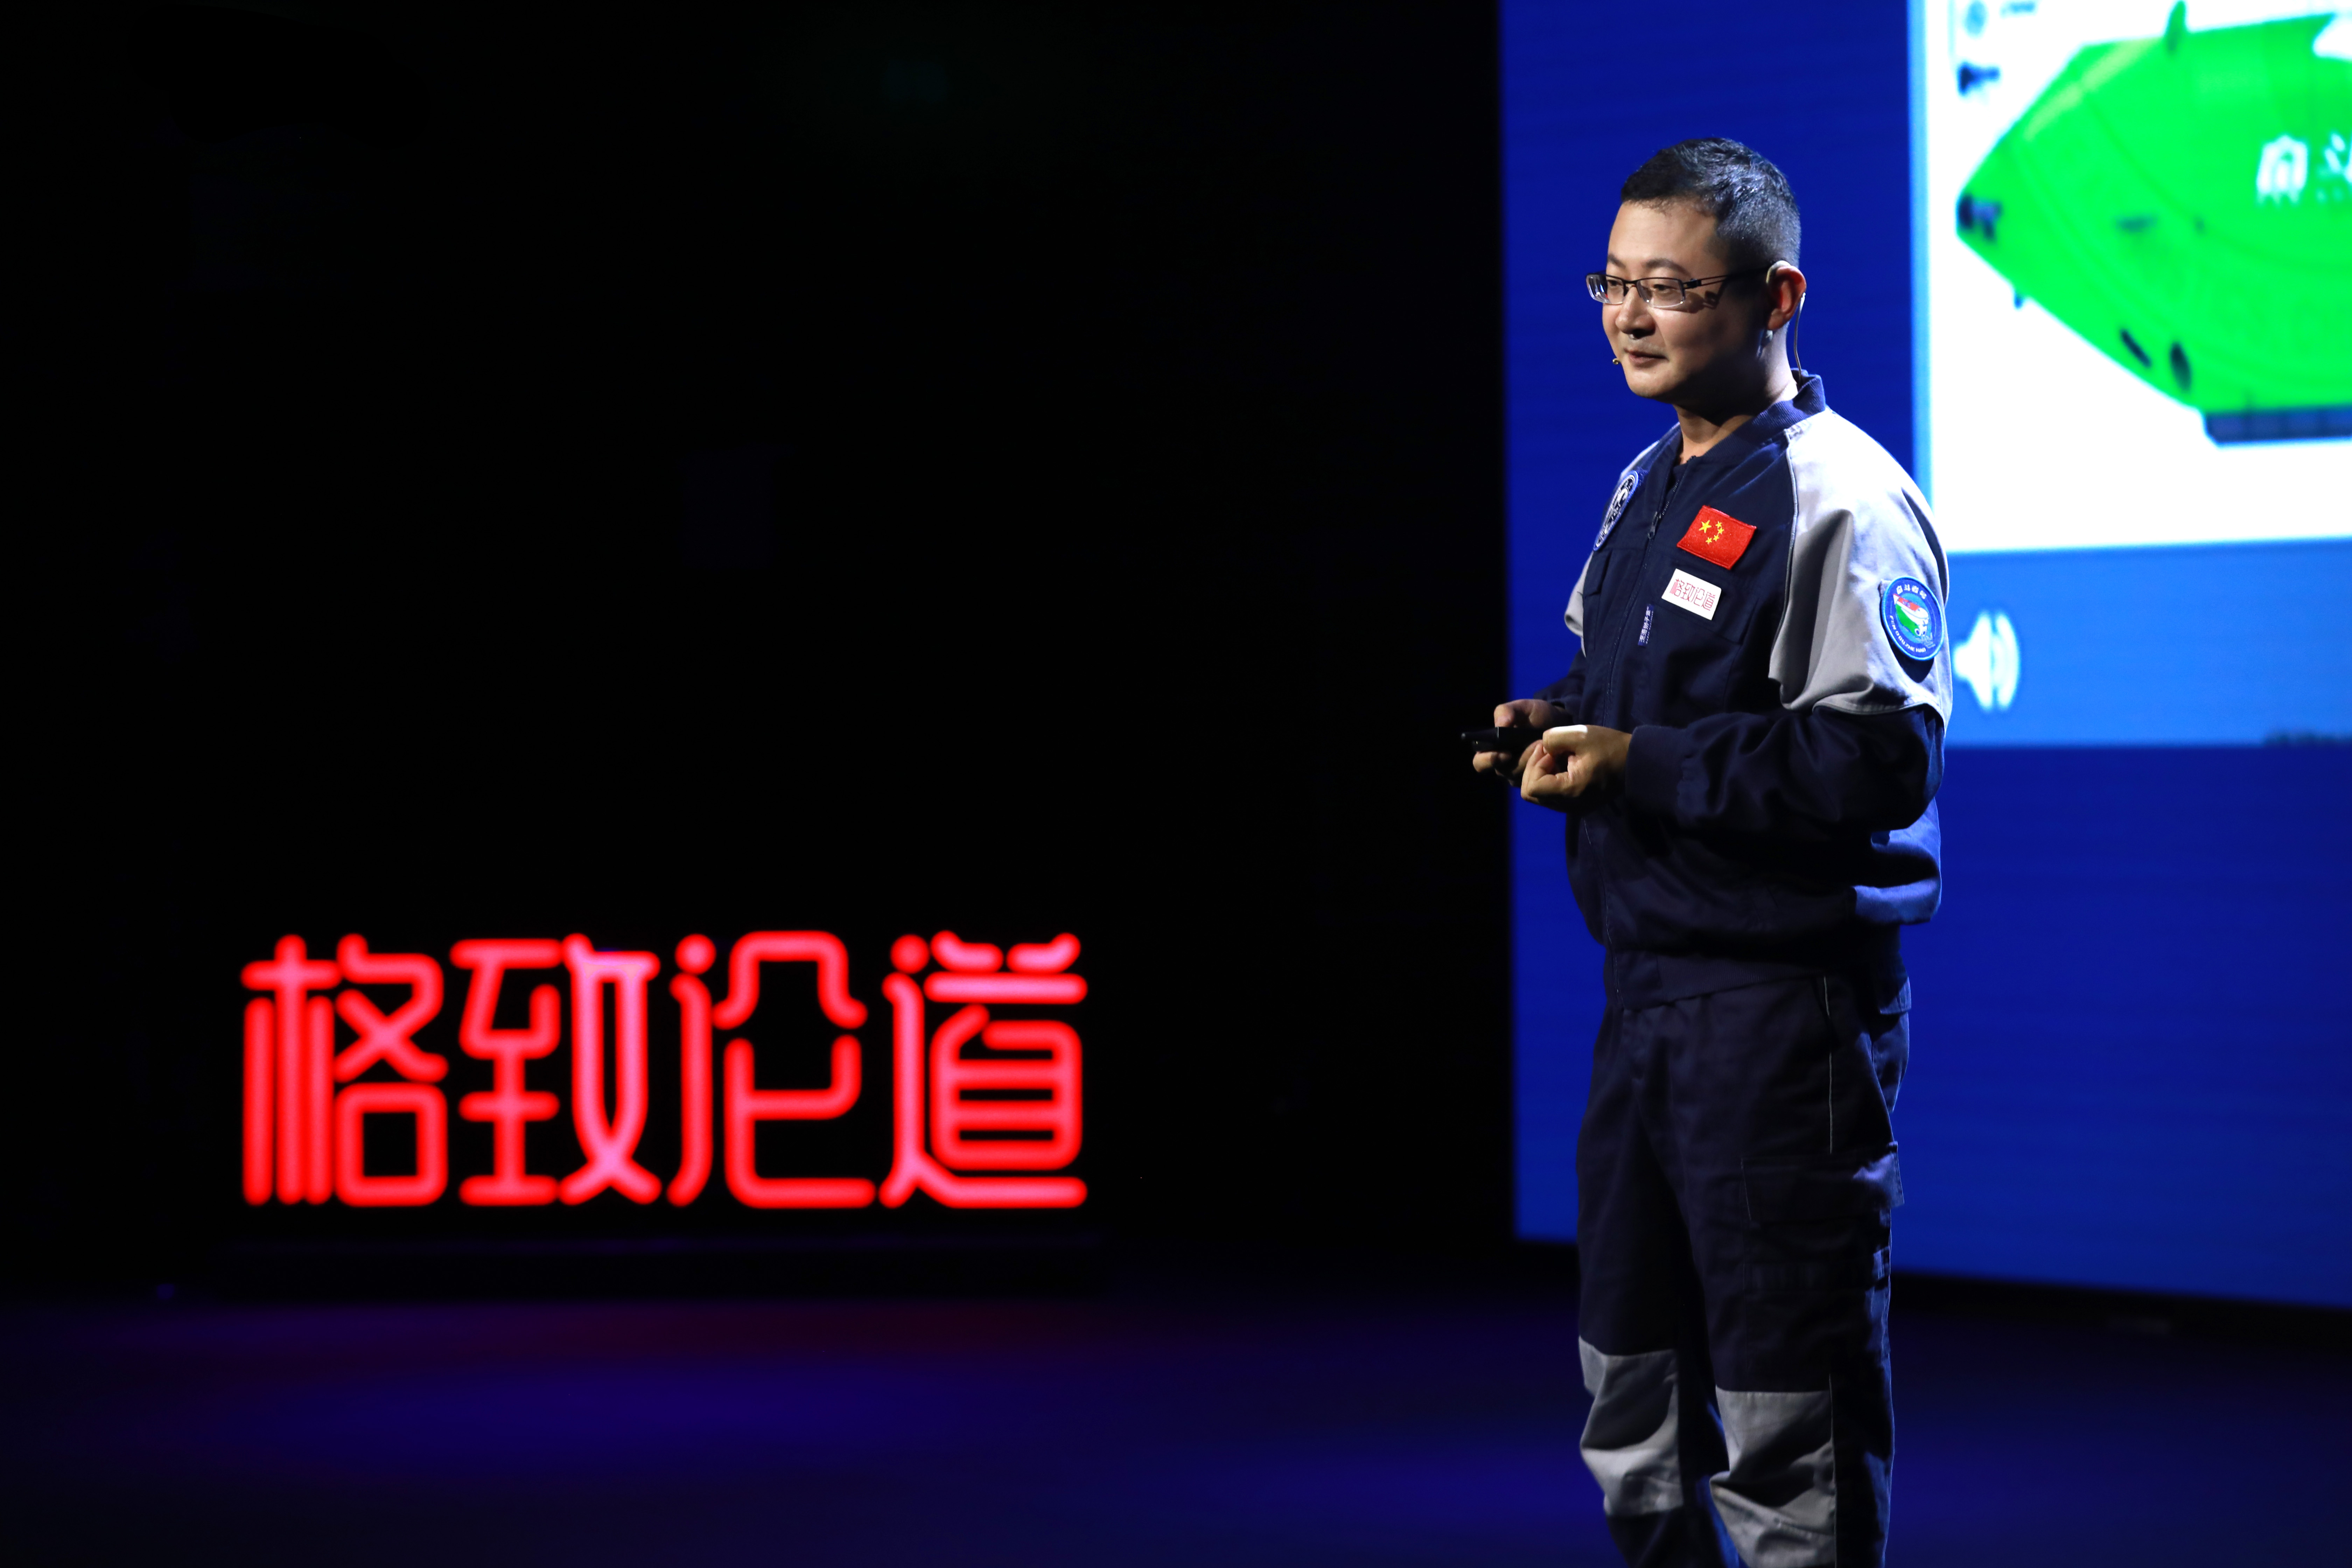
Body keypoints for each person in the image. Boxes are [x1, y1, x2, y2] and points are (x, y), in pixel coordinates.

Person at [1475, 139, 1951, 1568]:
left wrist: (1639, 762)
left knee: (1783, 1412)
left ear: (1775, 297)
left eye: (1671, 288)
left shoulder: (1844, 493)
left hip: (1780, 1018)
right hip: (1647, 1002)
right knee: (1631, 1400)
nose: (1631, 317)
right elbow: (1625, 688)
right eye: (1613, 284)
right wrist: (1553, 717)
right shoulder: (1648, 480)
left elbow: (1876, 762)